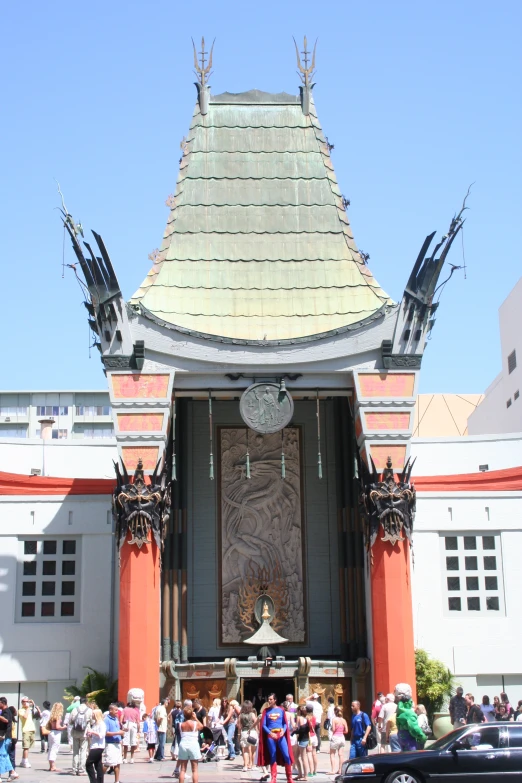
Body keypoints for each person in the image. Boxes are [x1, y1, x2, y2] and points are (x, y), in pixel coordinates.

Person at [257, 693, 294, 783]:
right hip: (271, 735)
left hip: (280, 735)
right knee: (272, 756)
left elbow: (285, 723)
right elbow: (264, 725)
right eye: (268, 699)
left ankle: (289, 778)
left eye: (271, 699)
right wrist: (270, 733)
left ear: (275, 700)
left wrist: (283, 731)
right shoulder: (266, 711)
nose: (269, 701)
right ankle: (273, 778)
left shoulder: (281, 710)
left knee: (286, 755)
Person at [394, 683, 426, 752]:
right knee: (412, 757)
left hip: (401, 736)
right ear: (407, 703)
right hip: (410, 739)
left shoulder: (399, 712)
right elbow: (414, 727)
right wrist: (422, 736)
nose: (412, 702)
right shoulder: (409, 713)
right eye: (411, 701)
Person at [176, 706, 203, 783]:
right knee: (194, 769)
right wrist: (195, 718)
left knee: (183, 769)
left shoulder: (181, 725)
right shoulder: (195, 724)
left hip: (183, 744)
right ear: (192, 714)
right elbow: (202, 726)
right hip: (193, 745)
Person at [71, 696, 93, 775]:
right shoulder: (89, 710)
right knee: (83, 751)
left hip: (75, 732)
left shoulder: (74, 709)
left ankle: (74, 769)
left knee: (75, 751)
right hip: (85, 733)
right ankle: (81, 770)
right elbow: (92, 721)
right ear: (86, 702)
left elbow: (71, 721)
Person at [103, 704, 125, 783]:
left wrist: (123, 731)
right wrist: (118, 733)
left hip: (117, 743)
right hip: (110, 743)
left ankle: (117, 781)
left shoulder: (116, 719)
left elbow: (117, 729)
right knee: (108, 762)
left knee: (117, 763)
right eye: (115, 710)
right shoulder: (106, 720)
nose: (117, 712)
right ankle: (98, 779)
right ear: (110, 710)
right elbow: (106, 733)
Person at [18, 696, 41, 768]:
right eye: (25, 701)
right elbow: (25, 717)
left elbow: (38, 715)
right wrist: (28, 708)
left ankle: (23, 761)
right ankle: (25, 761)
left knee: (28, 747)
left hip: (32, 729)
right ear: (22, 702)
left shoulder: (30, 709)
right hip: (26, 730)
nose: (26, 703)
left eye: (27, 701)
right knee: (26, 747)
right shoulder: (21, 710)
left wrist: (34, 705)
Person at [86, 709, 106, 783]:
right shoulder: (94, 724)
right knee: (98, 765)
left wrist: (92, 732)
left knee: (88, 763)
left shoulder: (102, 724)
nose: (92, 715)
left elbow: (102, 735)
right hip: (93, 745)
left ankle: (93, 781)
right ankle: (100, 781)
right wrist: (90, 734)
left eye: (93, 714)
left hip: (98, 746)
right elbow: (94, 735)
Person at [0, 699, 18, 781]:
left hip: (5, 736)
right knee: (5, 755)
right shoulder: (5, 711)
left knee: (2, 755)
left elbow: (6, 720)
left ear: (3, 703)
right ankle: (12, 772)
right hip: (5, 736)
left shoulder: (6, 711)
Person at [48, 702, 67, 772]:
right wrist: (64, 727)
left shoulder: (52, 716)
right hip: (56, 733)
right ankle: (53, 766)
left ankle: (51, 766)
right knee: (54, 749)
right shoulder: (58, 716)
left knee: (50, 748)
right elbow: (57, 726)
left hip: (51, 732)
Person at [239, 701, 257, 772]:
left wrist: (239, 735)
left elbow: (239, 726)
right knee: (253, 750)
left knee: (245, 750)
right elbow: (256, 723)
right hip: (252, 732)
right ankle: (253, 765)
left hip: (244, 732)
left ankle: (245, 766)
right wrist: (257, 731)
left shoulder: (240, 715)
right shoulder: (252, 714)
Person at [293, 705, 309, 781]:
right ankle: (300, 774)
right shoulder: (307, 718)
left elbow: (302, 728)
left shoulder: (300, 718)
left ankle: (305, 776)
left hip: (302, 739)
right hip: (304, 739)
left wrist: (294, 731)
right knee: (296, 756)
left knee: (303, 758)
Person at [329, 707, 347, 775]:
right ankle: (340, 770)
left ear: (335, 712)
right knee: (341, 754)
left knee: (332, 754)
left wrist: (331, 729)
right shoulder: (344, 720)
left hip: (335, 737)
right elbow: (346, 730)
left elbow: (333, 729)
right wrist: (341, 731)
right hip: (342, 737)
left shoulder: (334, 719)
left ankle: (333, 770)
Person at [305, 705, 318, 776]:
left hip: (309, 736)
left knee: (309, 754)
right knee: (314, 753)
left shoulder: (306, 718)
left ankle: (311, 771)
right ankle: (315, 771)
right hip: (314, 736)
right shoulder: (314, 717)